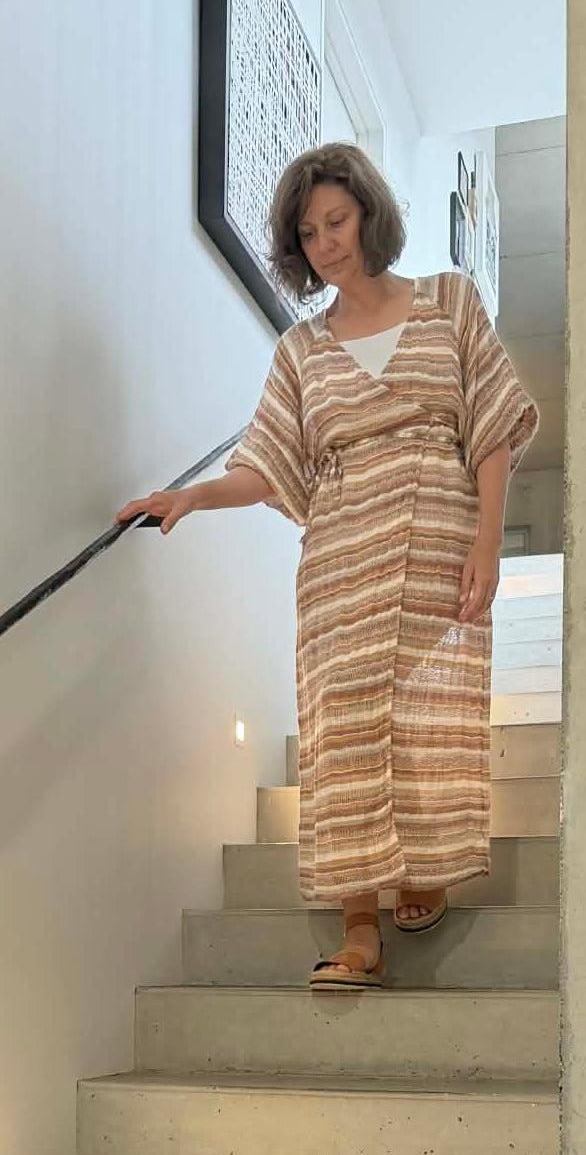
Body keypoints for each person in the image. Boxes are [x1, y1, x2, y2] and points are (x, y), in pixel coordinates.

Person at [116, 143, 539, 992]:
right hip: (341, 556)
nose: (324, 243)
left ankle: (423, 866)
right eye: (307, 233)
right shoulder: (299, 351)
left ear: (368, 215)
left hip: (439, 532)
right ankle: (358, 926)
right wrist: (193, 496)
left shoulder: (450, 301)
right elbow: (267, 464)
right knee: (342, 726)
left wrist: (488, 541)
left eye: (335, 221)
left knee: (422, 713)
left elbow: (490, 427)